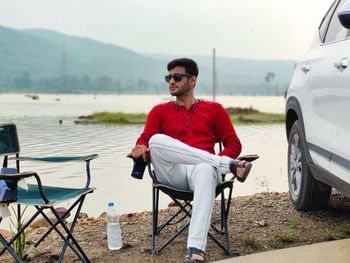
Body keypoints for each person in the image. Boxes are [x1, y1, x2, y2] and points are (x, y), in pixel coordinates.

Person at [131, 58, 252, 262]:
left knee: (205, 168)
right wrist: (140, 146)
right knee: (156, 140)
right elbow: (145, 140)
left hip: (204, 174)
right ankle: (228, 166)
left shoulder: (215, 110)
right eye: (168, 77)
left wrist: (215, 161)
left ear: (193, 80)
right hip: (173, 173)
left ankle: (195, 250)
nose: (171, 81)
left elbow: (234, 144)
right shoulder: (159, 111)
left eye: (177, 77)